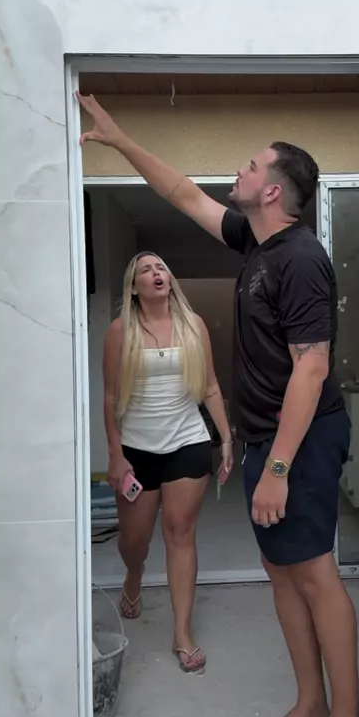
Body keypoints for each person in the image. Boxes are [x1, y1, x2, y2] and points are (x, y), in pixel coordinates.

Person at [78, 92, 359, 717]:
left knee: (315, 573)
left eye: (250, 166)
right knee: (281, 572)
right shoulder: (255, 244)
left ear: (272, 191)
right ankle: (309, 706)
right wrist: (119, 139)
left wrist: (279, 469)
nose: (238, 171)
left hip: (303, 438)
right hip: (270, 437)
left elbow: (312, 367)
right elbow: (181, 194)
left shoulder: (301, 258)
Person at [103, 250, 233, 673]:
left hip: (187, 442)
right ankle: (134, 575)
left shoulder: (193, 324)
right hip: (137, 450)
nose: (156, 273)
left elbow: (209, 386)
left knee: (180, 533)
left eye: (161, 267)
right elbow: (110, 397)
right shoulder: (120, 331)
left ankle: (182, 633)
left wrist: (225, 437)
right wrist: (116, 455)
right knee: (134, 541)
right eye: (146, 269)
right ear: (134, 286)